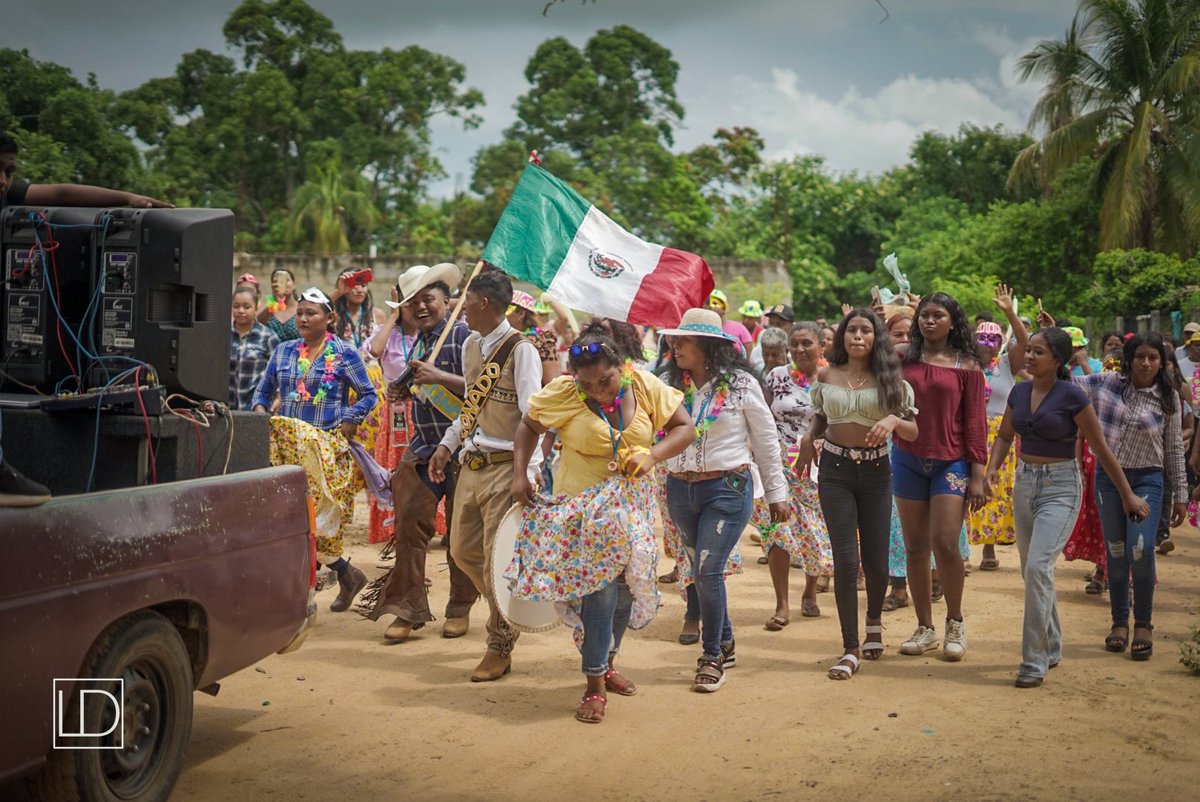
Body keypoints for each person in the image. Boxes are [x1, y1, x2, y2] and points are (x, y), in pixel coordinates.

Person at [509, 333, 694, 722]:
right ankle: (594, 682)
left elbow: (685, 428)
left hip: (633, 509)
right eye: (587, 383)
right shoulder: (564, 393)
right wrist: (520, 474)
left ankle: (607, 662)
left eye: (605, 380)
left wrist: (652, 455)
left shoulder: (644, 385)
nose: (597, 390)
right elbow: (528, 427)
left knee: (626, 589)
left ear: (621, 369)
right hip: (583, 512)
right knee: (600, 592)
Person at [0, 131, 170, 508]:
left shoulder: (9, 197)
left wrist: (128, 199)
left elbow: (61, 193)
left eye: (9, 172)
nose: (4, 181)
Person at [984, 327, 1147, 688]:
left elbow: (1101, 448)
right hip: (1025, 484)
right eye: (1029, 350)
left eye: (1038, 352)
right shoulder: (1019, 391)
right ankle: (1053, 643)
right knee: (1032, 572)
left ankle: (1034, 660)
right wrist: (992, 468)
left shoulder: (1073, 396)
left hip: (1061, 488)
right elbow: (1006, 436)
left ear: (1057, 359)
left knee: (1038, 567)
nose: (1029, 356)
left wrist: (1127, 495)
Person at [659, 308, 789, 692]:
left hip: (727, 488)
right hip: (679, 490)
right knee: (701, 570)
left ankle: (712, 655)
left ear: (707, 345)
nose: (674, 346)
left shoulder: (741, 385)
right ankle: (726, 639)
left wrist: (777, 493)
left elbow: (766, 441)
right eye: (674, 340)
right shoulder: (666, 386)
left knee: (708, 569)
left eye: (683, 340)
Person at [426, 271, 544, 682]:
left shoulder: (522, 350)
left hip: (506, 466)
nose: (461, 309)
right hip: (472, 463)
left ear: (485, 304)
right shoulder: (471, 345)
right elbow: (470, 407)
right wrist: (447, 444)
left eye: (467, 301)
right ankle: (508, 603)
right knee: (462, 551)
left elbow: (533, 416)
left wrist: (527, 472)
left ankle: (500, 641)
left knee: (497, 557)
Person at [796, 309, 917, 679]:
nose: (858, 336)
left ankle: (874, 622)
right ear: (842, 337)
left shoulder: (891, 379)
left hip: (877, 472)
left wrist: (894, 419)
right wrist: (808, 437)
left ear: (876, 337)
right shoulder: (826, 375)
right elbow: (821, 415)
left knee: (876, 560)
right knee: (846, 562)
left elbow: (913, 431)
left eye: (866, 330)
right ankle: (850, 647)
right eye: (852, 330)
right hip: (835, 470)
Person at [366, 264, 475, 642]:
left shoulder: (464, 337)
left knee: (459, 534)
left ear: (447, 301)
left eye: (428, 299)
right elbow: (420, 383)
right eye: (413, 303)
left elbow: (483, 389)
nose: (421, 307)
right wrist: (402, 388)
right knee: (409, 527)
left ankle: (459, 606)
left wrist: (439, 377)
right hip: (423, 446)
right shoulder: (422, 341)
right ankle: (407, 607)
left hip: (463, 451)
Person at [252, 287, 378, 612]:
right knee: (290, 521)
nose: (303, 319)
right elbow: (262, 393)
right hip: (286, 451)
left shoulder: (344, 353)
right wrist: (260, 414)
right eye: (299, 313)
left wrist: (351, 417)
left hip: (324, 452)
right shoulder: (283, 351)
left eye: (311, 313)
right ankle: (339, 578)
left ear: (329, 317)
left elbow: (369, 395)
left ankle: (321, 587)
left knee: (316, 523)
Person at [1074, 332, 1188, 661]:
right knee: (1116, 551)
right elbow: (1067, 382)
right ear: (1129, 359)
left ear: (1162, 362)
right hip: (1109, 481)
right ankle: (1119, 622)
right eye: (1140, 357)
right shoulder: (1107, 384)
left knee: (1141, 549)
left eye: (1153, 358)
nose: (1146, 363)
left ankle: (1144, 624)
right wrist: (1058, 342)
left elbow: (1173, 449)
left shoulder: (1168, 397)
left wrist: (1180, 494)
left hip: (1148, 480)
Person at [895, 292, 987, 660]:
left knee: (946, 543)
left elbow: (976, 423)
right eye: (924, 315)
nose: (929, 321)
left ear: (953, 322)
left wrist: (978, 475)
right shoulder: (903, 358)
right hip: (907, 460)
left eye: (938, 315)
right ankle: (925, 628)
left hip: (952, 463)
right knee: (915, 547)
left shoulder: (968, 365)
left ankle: (955, 622)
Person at [756, 321, 835, 629]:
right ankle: (782, 604)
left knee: (813, 529)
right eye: (795, 344)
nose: (799, 349)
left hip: (818, 464)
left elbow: (839, 420)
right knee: (777, 528)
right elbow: (762, 415)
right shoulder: (776, 376)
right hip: (777, 463)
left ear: (822, 346)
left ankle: (810, 590)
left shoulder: (833, 378)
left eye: (807, 343)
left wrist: (817, 443)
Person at [967, 285, 1029, 569]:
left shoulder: (1007, 365)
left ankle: (989, 548)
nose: (988, 343)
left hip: (1001, 435)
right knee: (964, 487)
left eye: (994, 338)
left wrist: (1009, 314)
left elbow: (1025, 342)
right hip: (970, 433)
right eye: (982, 337)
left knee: (994, 490)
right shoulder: (964, 365)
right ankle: (961, 551)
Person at [365, 282, 421, 545]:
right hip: (396, 412)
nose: (416, 309)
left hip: (424, 410)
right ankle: (396, 527)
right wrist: (394, 315)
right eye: (409, 303)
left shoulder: (432, 335)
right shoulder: (390, 334)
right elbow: (374, 351)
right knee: (396, 470)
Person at [230, 287, 280, 411]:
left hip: (256, 406)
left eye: (247, 307)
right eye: (236, 306)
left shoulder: (268, 336)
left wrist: (278, 397)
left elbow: (279, 370)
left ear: (256, 307)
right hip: (226, 406)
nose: (241, 311)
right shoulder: (222, 335)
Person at [506, 289, 562, 385]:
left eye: (506, 309)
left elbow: (552, 386)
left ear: (521, 314)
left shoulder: (543, 342)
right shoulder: (498, 337)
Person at [258, 268, 301, 341]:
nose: (280, 284)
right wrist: (274, 301)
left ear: (294, 285)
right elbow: (257, 326)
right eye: (275, 281)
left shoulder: (301, 309)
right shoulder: (267, 309)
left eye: (286, 280)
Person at [750, 304, 796, 369]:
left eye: (779, 324)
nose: (773, 327)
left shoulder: (797, 352)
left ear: (792, 326)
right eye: (771, 323)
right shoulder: (756, 352)